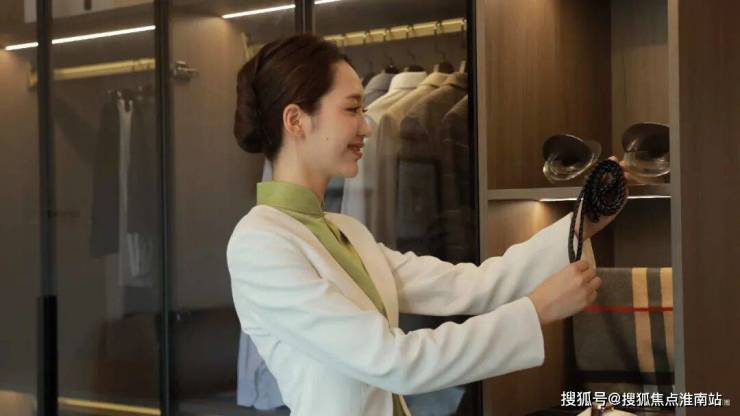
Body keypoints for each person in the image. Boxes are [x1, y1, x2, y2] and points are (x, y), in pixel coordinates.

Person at [226, 33, 629, 416]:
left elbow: (468, 285)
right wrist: (534, 311)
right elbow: (394, 361)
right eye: (351, 109)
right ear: (296, 120)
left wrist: (585, 222)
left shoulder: (347, 231)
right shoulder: (260, 244)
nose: (367, 125)